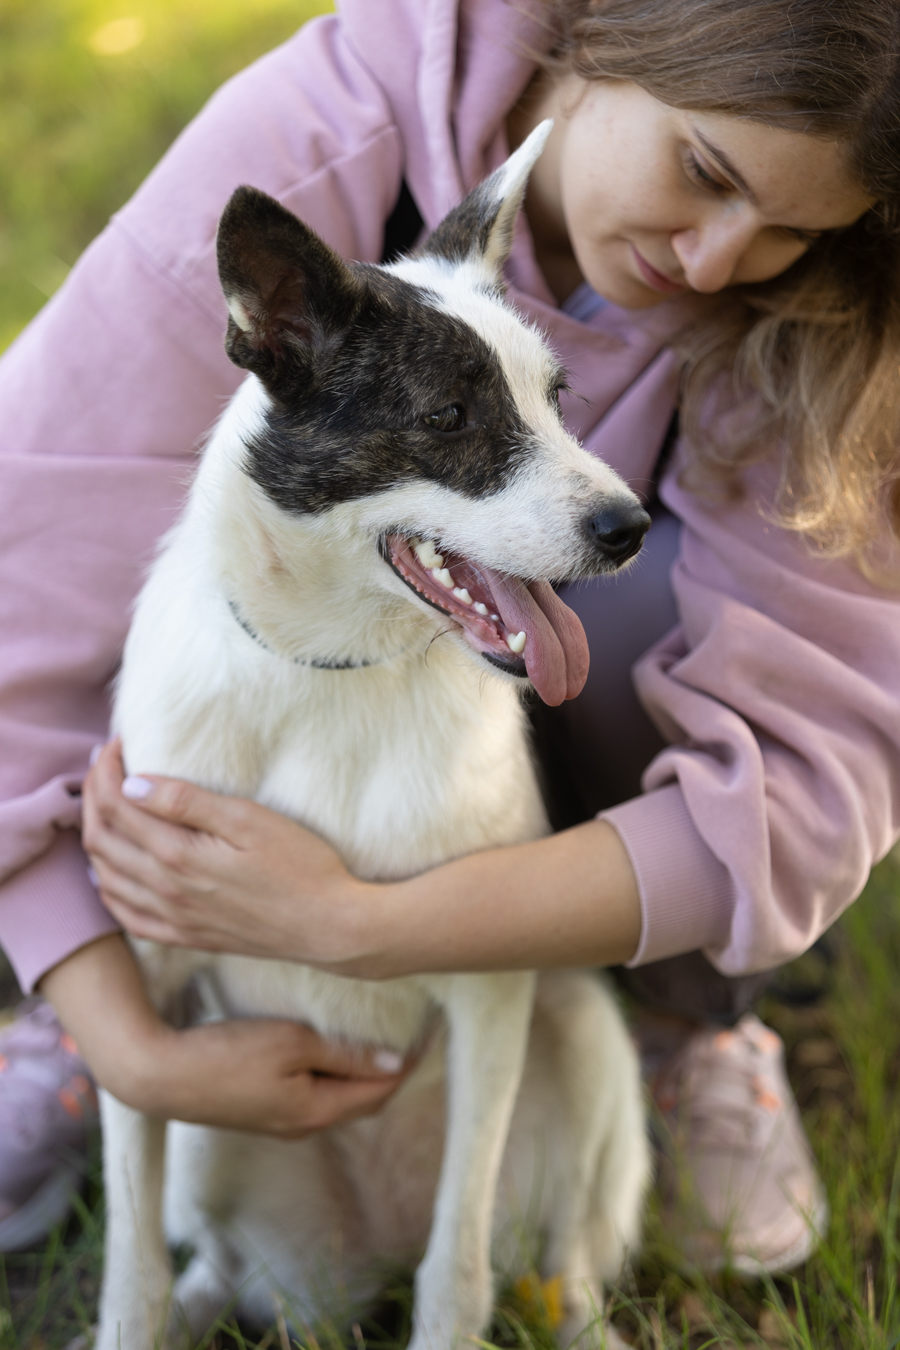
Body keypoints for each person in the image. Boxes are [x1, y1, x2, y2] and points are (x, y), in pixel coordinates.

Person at [1, 0, 899, 1278]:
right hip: (231, 719)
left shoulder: (821, 314)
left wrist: (361, 928)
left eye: (795, 231)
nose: (713, 260)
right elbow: (20, 564)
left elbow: (817, 783)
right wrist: (119, 1025)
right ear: (604, 39)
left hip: (514, 763)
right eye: (704, 171)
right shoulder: (327, 132)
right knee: (178, 548)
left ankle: (686, 1018)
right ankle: (128, 985)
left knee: (636, 577)